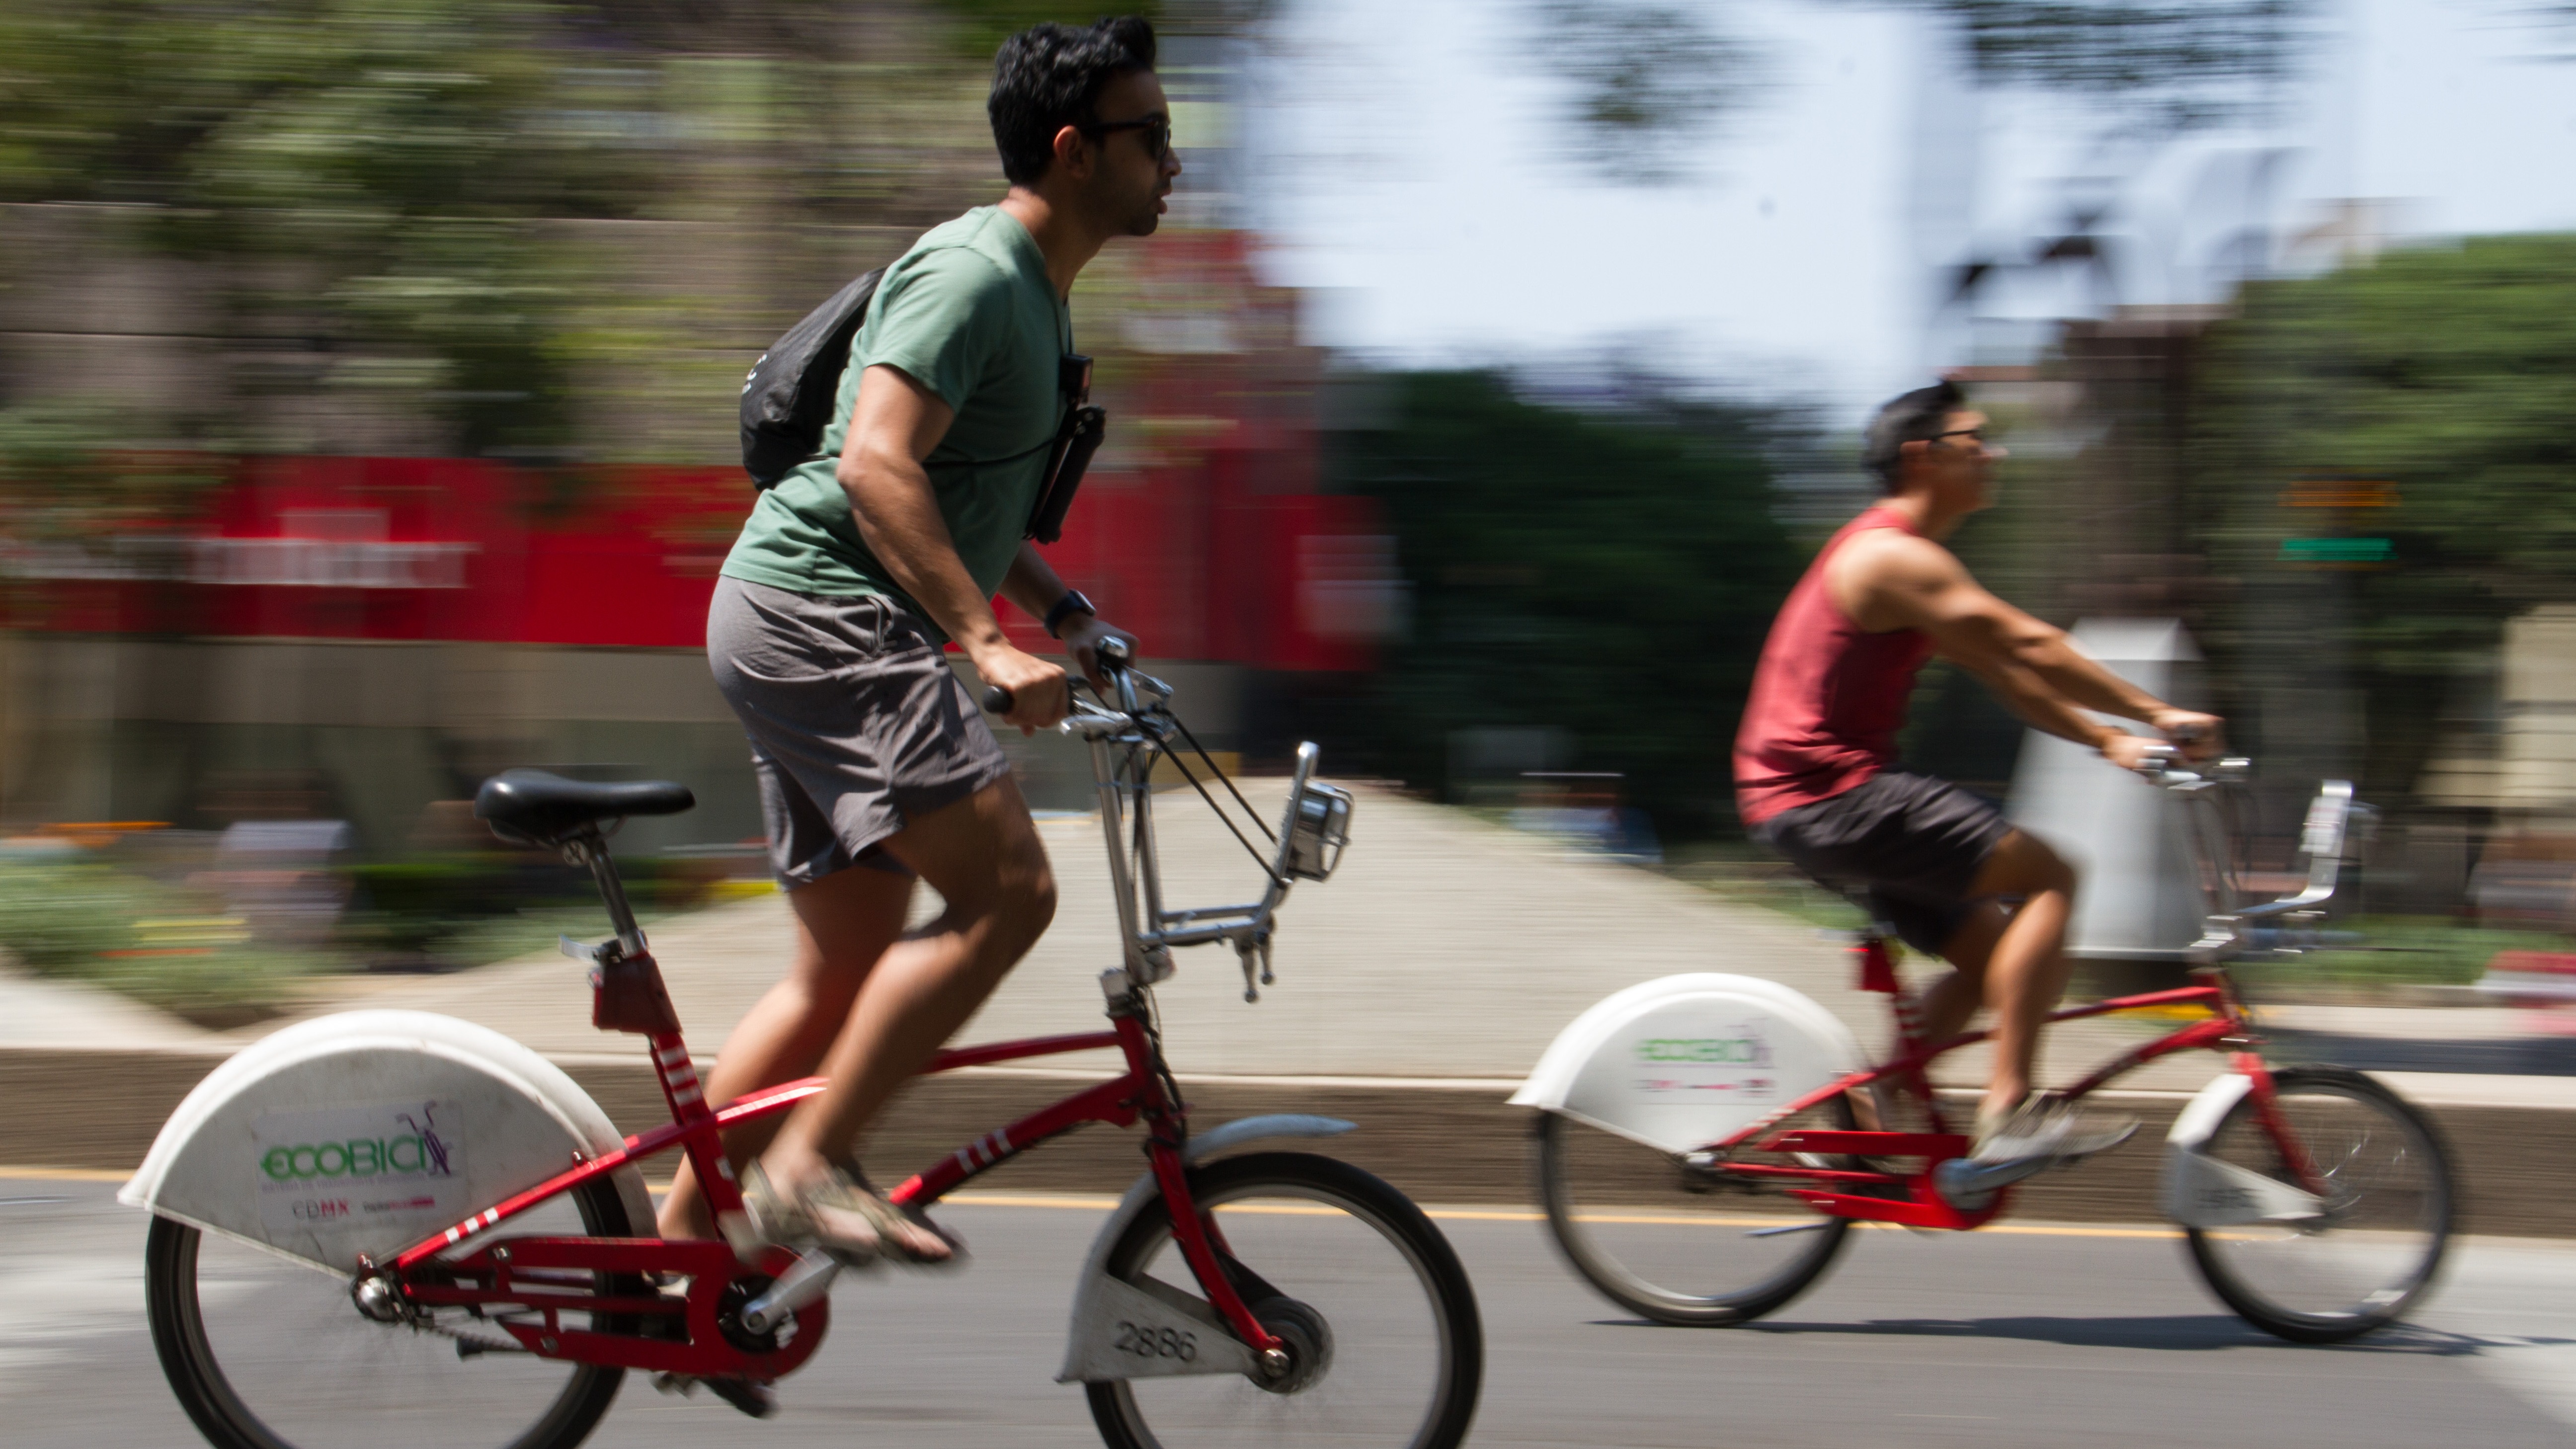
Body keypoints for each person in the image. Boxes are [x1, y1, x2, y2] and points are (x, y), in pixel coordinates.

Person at [659, 16, 1179, 1268]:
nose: (1176, 159)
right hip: (824, 610)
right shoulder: (977, 278)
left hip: (801, 613)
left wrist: (1062, 615)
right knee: (1009, 893)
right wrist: (981, 645)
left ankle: (682, 1250)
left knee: (843, 968)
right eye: (1152, 135)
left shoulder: (1038, 303)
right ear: (1072, 152)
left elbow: (957, 499)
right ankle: (806, 1168)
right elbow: (876, 462)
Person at [1732, 379, 2223, 1204]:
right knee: (2052, 876)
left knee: (2002, 961)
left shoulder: (1903, 560)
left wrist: (2112, 742)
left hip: (1807, 799)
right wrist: (2158, 711)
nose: (1994, 455)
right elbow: (2027, 640)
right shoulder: (1892, 554)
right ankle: (2009, 1114)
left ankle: (1878, 1103)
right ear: (1923, 457)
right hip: (1830, 790)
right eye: (1976, 441)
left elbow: (2007, 675)